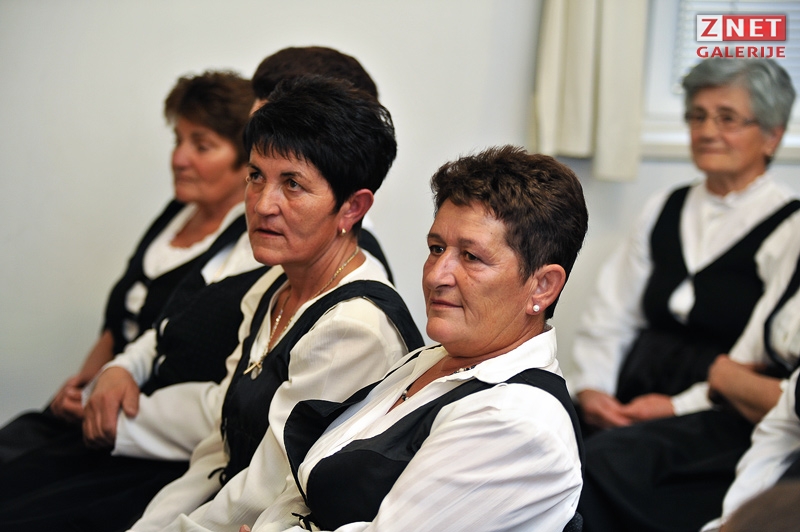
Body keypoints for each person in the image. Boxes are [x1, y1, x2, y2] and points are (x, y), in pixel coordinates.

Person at [186, 145, 588, 532]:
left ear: (543, 286)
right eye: (436, 248)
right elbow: (302, 485)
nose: (436, 275)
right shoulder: (431, 361)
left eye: (471, 257)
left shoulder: (518, 423)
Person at [117, 75, 423, 532]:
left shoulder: (354, 328)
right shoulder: (272, 288)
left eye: (292, 184)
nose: (262, 204)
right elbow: (218, 449)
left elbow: (263, 491)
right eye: (256, 176)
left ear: (352, 208)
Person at [575, 58, 800, 532]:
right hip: (630, 387)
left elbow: (755, 359)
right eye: (697, 116)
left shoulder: (789, 225)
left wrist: (676, 405)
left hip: (716, 407)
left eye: (727, 118)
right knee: (550, 444)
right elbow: (613, 310)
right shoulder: (666, 204)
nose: (707, 131)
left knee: (603, 466)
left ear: (772, 135)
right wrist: (593, 387)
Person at [0, 70, 256, 463]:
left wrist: (103, 404)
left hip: (140, 434)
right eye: (178, 141)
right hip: (95, 408)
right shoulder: (175, 213)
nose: (179, 159)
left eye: (201, 146)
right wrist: (81, 387)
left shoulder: (247, 246)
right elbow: (116, 323)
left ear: (246, 161)